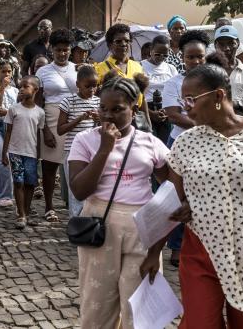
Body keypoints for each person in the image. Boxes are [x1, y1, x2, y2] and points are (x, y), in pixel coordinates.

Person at [140, 62, 243, 328]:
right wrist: (153, 253)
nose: (185, 107)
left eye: (191, 99)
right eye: (183, 100)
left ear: (218, 96)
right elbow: (170, 201)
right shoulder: (186, 143)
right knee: (201, 323)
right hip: (201, 252)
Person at [68, 73, 169, 329]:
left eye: (117, 109)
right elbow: (79, 190)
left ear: (134, 109)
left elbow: (170, 189)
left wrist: (158, 245)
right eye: (103, 108)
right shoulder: (85, 140)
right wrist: (105, 148)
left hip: (141, 227)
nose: (108, 115)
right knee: (97, 305)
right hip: (100, 224)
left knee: (137, 308)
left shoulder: (151, 143)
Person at [161, 29, 209, 266]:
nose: (196, 61)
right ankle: (177, 246)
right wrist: (205, 124)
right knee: (179, 195)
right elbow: (173, 115)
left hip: (210, 145)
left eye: (200, 56)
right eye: (191, 57)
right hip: (181, 144)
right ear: (182, 56)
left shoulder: (215, 80)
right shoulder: (174, 83)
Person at [36, 28, 78, 222]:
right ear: (51, 50)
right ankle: (49, 206)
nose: (62, 53)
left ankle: (75, 206)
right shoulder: (43, 71)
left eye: (66, 50)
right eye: (58, 50)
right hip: (51, 119)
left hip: (75, 119)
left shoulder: (77, 69)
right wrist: (45, 130)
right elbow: (38, 103)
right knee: (50, 165)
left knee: (77, 163)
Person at [2, 76, 46, 228]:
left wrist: (39, 155)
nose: (21, 89)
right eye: (20, 86)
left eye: (25, 86)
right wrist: (4, 153)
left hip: (31, 153)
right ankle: (20, 214)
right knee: (19, 182)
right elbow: (8, 132)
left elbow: (39, 135)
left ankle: (26, 213)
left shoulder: (40, 113)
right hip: (15, 152)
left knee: (30, 184)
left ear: (36, 90)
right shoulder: (13, 110)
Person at [57, 65, 100, 217]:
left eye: (95, 86)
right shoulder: (68, 102)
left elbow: (103, 128)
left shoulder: (99, 102)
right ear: (78, 85)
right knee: (75, 189)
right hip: (73, 151)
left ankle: (89, 220)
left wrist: (99, 119)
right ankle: (76, 221)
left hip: (93, 150)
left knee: (93, 188)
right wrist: (80, 118)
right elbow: (60, 129)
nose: (92, 90)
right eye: (87, 86)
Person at [95, 23, 151, 129]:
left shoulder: (137, 66)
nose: (124, 44)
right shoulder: (99, 69)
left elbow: (142, 98)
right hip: (114, 120)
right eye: (118, 41)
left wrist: (148, 123)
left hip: (137, 119)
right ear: (110, 45)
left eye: (127, 40)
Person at [0, 61, 19, 206]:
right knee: (3, 161)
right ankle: (5, 196)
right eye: (3, 71)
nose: (7, 74)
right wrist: (1, 87)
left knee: (6, 162)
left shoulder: (15, 91)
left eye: (9, 71)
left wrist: (7, 112)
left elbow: (19, 110)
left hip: (11, 129)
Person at [141, 35, 178, 144]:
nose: (161, 57)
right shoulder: (140, 66)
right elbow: (137, 95)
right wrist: (151, 113)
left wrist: (167, 111)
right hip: (146, 109)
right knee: (149, 145)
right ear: (151, 50)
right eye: (157, 54)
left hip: (166, 110)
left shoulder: (171, 69)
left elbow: (176, 92)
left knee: (164, 146)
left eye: (165, 55)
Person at [212, 25, 243, 115]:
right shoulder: (208, 72)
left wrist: (238, 105)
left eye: (231, 43)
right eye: (221, 44)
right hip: (216, 126)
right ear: (215, 45)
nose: (226, 48)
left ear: (237, 43)